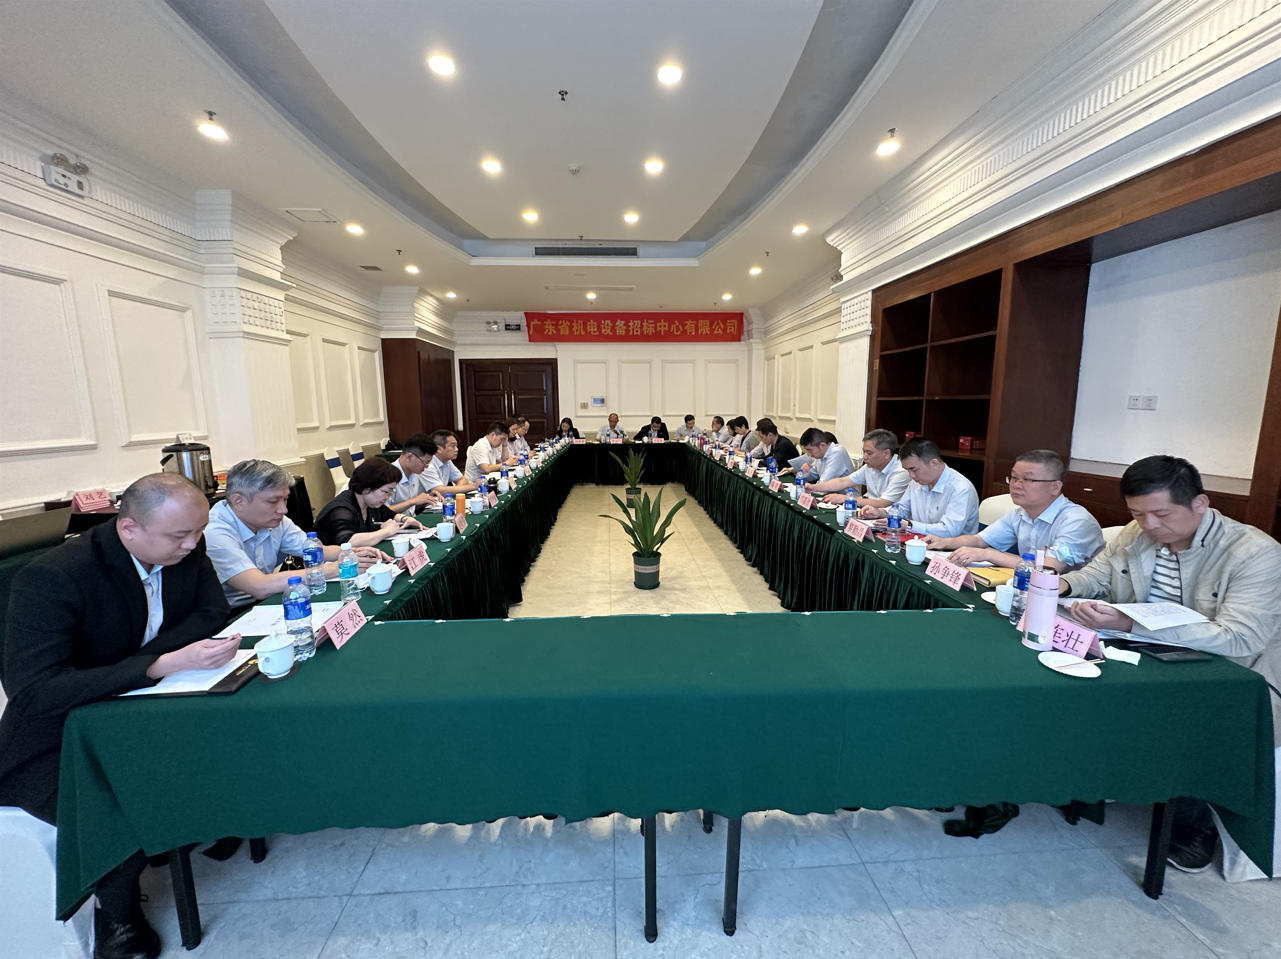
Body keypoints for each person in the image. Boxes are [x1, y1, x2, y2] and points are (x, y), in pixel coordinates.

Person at [0, 473, 233, 959]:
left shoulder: (184, 548)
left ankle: (208, 825)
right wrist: (153, 666)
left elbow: (211, 612)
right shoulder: (55, 577)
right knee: (115, 795)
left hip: (139, 705)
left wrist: (152, 664)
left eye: (198, 532)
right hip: (55, 734)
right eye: (180, 535)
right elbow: (35, 691)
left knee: (223, 740)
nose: (193, 545)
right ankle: (119, 915)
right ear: (129, 529)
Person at [1060, 455, 1281, 874]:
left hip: (1232, 670)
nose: (1149, 525)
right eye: (1137, 514)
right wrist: (1065, 584)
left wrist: (1131, 622)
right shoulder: (1136, 533)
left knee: (1195, 717)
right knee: (1071, 677)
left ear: (1200, 503)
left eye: (1161, 514)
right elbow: (1098, 576)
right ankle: (1097, 780)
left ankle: (1193, 824)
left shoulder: (1254, 553)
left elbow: (1241, 638)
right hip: (1146, 648)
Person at [205, 459, 380, 607]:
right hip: (232, 614)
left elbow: (316, 550)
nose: (283, 509)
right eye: (273, 501)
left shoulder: (275, 519)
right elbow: (259, 586)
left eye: (285, 499)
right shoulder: (215, 532)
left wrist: (351, 553)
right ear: (238, 501)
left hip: (267, 600)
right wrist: (335, 568)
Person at [922, 449, 1104, 571]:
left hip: (1081, 603)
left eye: (1028, 479)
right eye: (1014, 478)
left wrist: (988, 554)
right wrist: (944, 542)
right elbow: (979, 540)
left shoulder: (1076, 521)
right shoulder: (1019, 514)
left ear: (1055, 487)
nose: (1016, 485)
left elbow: (1050, 568)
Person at [858, 437, 979, 536]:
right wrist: (880, 512)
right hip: (920, 542)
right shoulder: (916, 482)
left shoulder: (960, 488)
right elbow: (902, 509)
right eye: (907, 470)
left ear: (934, 463)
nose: (911, 476)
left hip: (953, 552)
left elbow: (949, 531)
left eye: (914, 469)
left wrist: (910, 526)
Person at [313, 457, 423, 547]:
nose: (387, 497)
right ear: (367, 487)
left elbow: (389, 514)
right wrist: (386, 532)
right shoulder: (341, 510)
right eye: (386, 491)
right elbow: (347, 541)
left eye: (391, 493)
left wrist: (406, 519)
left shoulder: (371, 503)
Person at [815, 429, 912, 507]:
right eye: (864, 452)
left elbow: (883, 503)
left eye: (869, 453)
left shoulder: (901, 471)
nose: (864, 457)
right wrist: (813, 487)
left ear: (886, 453)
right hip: (871, 513)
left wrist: (845, 498)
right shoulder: (869, 467)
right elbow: (843, 482)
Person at [386, 432, 442, 515]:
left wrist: (427, 499)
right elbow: (381, 512)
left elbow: (411, 507)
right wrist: (413, 501)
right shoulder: (387, 476)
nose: (426, 467)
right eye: (425, 462)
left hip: (412, 519)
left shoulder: (415, 473)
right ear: (409, 457)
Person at [421, 429, 478, 496]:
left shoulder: (447, 462)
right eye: (453, 446)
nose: (456, 449)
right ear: (438, 449)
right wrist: (473, 486)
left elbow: (463, 479)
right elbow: (439, 491)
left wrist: (454, 490)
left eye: (456, 446)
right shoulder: (427, 464)